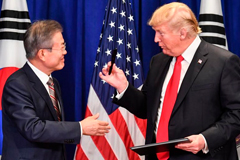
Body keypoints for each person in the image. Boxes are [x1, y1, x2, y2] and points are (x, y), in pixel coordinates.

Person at [99, 2, 240, 160]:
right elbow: (147, 108)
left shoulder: (223, 62)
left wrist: (205, 139)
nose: (155, 39)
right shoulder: (158, 61)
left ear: (182, 33)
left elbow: (236, 114)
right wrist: (123, 87)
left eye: (160, 33)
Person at [1, 20, 111, 160]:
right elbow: (33, 129)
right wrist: (80, 128)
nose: (65, 52)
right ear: (42, 53)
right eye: (61, 47)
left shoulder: (53, 83)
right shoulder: (17, 85)